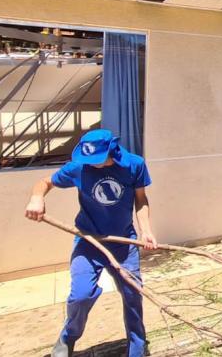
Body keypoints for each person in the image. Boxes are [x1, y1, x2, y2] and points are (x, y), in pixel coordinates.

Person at [24, 129, 157, 357]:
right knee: (81, 295)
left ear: (112, 151)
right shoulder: (79, 167)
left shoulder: (134, 165)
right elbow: (44, 182)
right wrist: (37, 197)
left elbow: (141, 200)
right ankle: (68, 336)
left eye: (97, 159)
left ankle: (137, 345)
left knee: (133, 294)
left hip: (123, 242)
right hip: (88, 240)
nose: (91, 164)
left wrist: (146, 231)